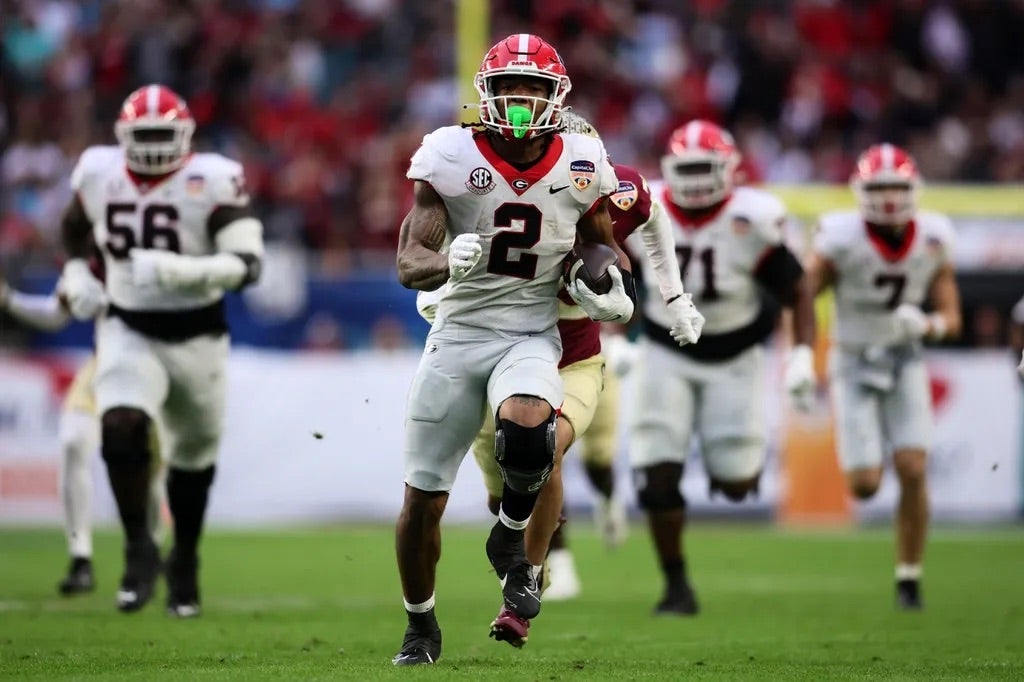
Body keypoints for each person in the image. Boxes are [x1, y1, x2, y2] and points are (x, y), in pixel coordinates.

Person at [392, 35, 640, 665]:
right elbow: (407, 261)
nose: (523, 100)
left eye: (534, 88)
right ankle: (421, 625)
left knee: (531, 426)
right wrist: (447, 261)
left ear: (557, 97)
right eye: (510, 88)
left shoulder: (583, 159)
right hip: (459, 333)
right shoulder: (449, 153)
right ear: (487, 95)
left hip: (531, 332)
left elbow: (601, 242)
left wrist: (606, 283)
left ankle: (509, 539)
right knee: (423, 499)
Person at [415, 112, 704, 605]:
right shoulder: (500, 186)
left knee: (545, 452)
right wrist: (443, 287)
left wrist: (672, 298)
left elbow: (651, 227)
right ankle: (527, 555)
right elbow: (437, 241)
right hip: (503, 339)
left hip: (574, 348)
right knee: (502, 484)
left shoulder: (616, 189)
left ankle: (541, 569)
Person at [58, 84, 264, 617]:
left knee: (192, 461)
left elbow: (248, 264)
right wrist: (78, 271)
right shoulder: (100, 173)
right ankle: (137, 548)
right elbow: (73, 230)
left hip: (199, 338)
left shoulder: (212, 179)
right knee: (120, 423)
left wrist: (181, 271)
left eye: (160, 135)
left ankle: (186, 559)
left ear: (186, 137)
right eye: (141, 136)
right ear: (122, 137)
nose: (150, 147)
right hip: (129, 329)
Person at [627, 119, 816, 616]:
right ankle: (676, 586)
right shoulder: (644, 205)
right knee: (657, 476)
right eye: (684, 168)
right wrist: (614, 332)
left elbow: (797, 288)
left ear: (729, 169)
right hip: (666, 350)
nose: (692, 180)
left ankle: (725, 465)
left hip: (736, 355)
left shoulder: (754, 217)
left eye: (702, 168)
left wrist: (800, 353)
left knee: (736, 483)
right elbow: (609, 265)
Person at [805, 143, 961, 610]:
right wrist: (798, 354)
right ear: (861, 191)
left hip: (904, 357)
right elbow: (803, 295)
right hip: (852, 360)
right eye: (881, 188)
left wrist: (930, 324)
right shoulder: (839, 236)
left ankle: (909, 577)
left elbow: (952, 317)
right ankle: (906, 569)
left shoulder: (934, 235)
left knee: (913, 468)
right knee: (865, 485)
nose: (890, 198)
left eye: (897, 187)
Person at [0, 276, 165, 597]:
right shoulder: (91, 258)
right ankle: (81, 558)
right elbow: (56, 313)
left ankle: (149, 552)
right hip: (103, 367)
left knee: (152, 470)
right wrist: (8, 299)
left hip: (154, 369)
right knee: (73, 442)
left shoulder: (157, 248)